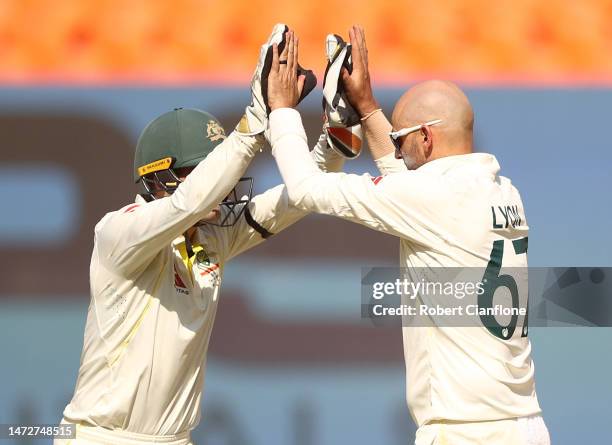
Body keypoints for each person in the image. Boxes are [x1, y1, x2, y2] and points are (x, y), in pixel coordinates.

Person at [56, 26, 344, 445]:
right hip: (103, 436)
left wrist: (336, 139)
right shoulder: (118, 233)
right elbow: (185, 203)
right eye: (199, 170)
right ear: (158, 178)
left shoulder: (211, 239)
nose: (222, 188)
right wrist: (252, 126)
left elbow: (301, 197)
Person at [266, 26, 551, 444]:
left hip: (466, 432)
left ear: (426, 137)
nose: (395, 151)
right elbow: (408, 183)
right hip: (524, 424)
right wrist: (366, 106)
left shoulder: (433, 196)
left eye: (401, 141)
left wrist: (281, 111)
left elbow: (307, 189)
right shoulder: (502, 190)